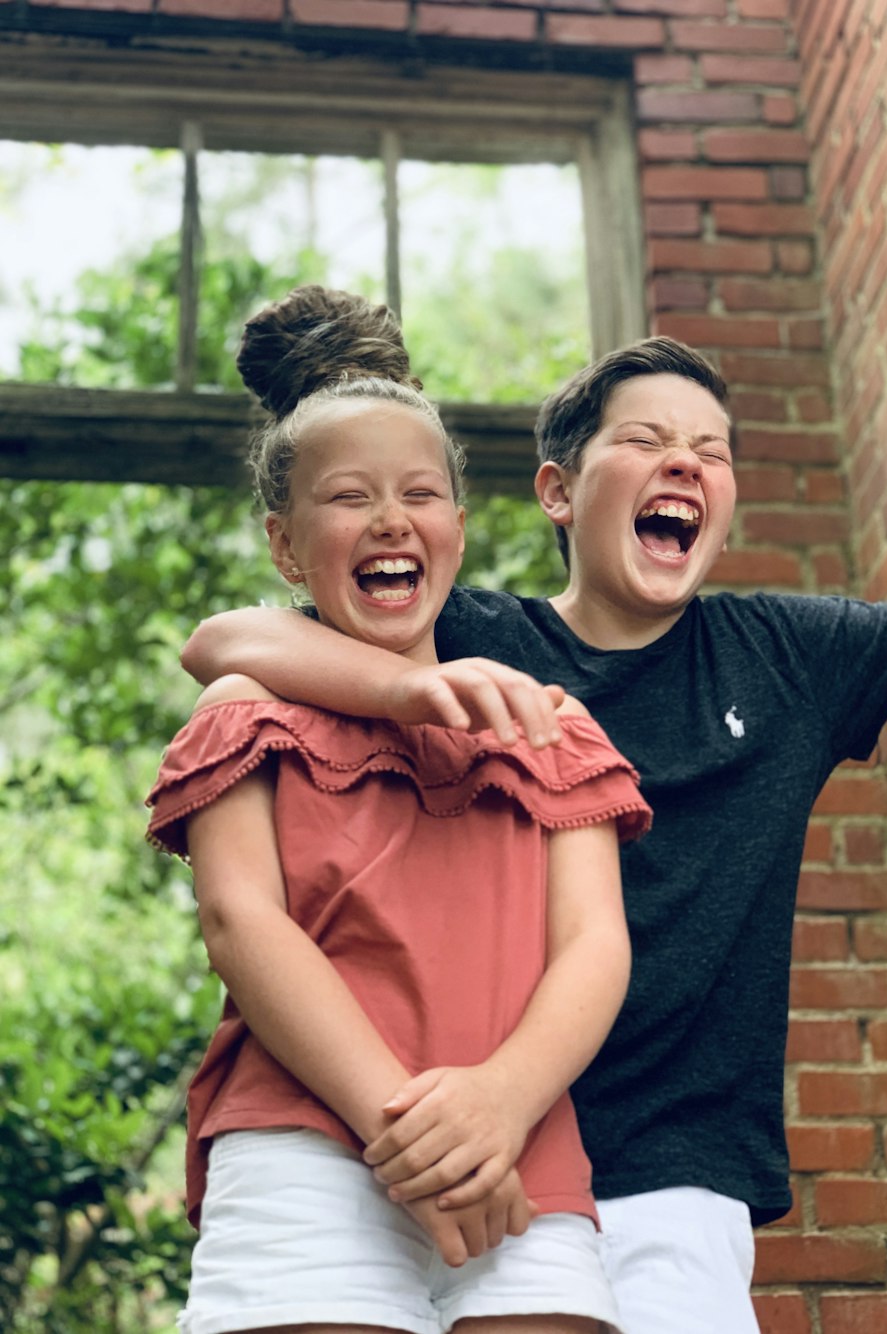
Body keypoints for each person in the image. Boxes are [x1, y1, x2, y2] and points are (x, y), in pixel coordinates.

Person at [182, 324, 887, 1334]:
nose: (682, 463)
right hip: (420, 1119)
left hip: (659, 1163)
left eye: (712, 450)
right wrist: (415, 684)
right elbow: (232, 643)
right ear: (556, 491)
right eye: (647, 438)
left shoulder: (787, 655)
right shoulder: (481, 648)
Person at [146, 286, 652, 1334]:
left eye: (420, 492)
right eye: (348, 498)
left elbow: (595, 946)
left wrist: (500, 1102)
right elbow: (245, 924)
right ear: (287, 548)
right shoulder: (247, 707)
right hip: (307, 1152)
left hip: (519, 1158)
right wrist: (408, 1135)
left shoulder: (553, 729)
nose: (389, 519)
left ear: (456, 531)